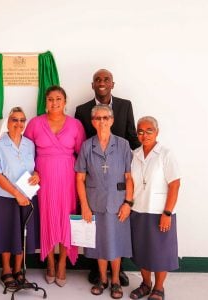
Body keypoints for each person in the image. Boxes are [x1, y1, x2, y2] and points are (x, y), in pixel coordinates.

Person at [75, 68, 139, 286]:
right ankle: (99, 275)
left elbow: (132, 137)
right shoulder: (82, 111)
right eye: (97, 79)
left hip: (117, 187)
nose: (102, 121)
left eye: (106, 79)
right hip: (94, 185)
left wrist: (143, 163)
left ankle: (116, 275)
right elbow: (80, 146)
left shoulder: (125, 109)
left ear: (113, 83)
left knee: (116, 235)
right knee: (97, 235)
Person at [24, 86, 85, 287]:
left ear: (65, 101)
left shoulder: (76, 125)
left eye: (59, 99)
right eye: (50, 99)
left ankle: (62, 264)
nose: (54, 103)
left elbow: (81, 156)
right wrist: (33, 172)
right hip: (43, 178)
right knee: (48, 218)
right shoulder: (35, 123)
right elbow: (25, 152)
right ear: (45, 102)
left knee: (66, 219)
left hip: (67, 177)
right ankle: (49, 262)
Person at [0, 107, 40, 289]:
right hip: (6, 197)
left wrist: (37, 175)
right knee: (7, 233)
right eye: (14, 120)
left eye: (22, 120)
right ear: (7, 123)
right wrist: (16, 194)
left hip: (27, 196)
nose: (18, 124)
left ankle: (19, 270)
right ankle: (6, 271)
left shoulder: (30, 145)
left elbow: (35, 168)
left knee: (22, 234)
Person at [129, 116, 181, 300]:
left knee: (160, 252)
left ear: (157, 132)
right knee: (142, 250)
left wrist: (167, 213)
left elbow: (175, 184)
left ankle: (159, 287)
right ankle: (145, 284)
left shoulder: (165, 154)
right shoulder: (134, 154)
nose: (144, 135)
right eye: (140, 131)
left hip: (160, 212)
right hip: (139, 210)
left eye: (149, 130)